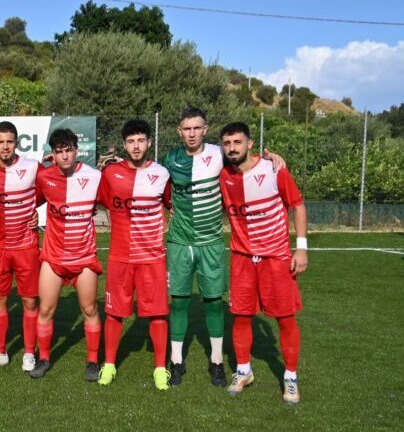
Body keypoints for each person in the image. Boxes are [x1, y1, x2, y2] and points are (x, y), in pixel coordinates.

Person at [162, 106, 287, 386]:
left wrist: (271, 157)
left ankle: (217, 361)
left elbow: (246, 158)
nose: (192, 133)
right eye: (187, 129)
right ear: (179, 131)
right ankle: (177, 361)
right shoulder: (169, 159)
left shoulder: (219, 154)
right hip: (180, 242)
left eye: (197, 128)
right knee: (178, 302)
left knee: (214, 303)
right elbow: (157, 184)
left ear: (205, 130)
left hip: (211, 243)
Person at [219, 122, 308, 405]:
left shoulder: (273, 169)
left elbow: (297, 205)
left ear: (250, 144)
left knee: (285, 318)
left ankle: (290, 377)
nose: (232, 148)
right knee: (241, 316)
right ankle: (243, 371)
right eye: (227, 143)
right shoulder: (222, 175)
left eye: (237, 142)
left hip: (276, 258)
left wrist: (301, 248)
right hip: (242, 258)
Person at [97, 119, 172, 390]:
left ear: (149, 142)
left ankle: (160, 368)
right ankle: (109, 364)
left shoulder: (162, 174)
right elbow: (104, 201)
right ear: (124, 144)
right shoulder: (111, 174)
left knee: (158, 312)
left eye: (141, 140)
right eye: (131, 141)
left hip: (152, 257)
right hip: (120, 256)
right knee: (114, 312)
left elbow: (171, 204)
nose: (136, 146)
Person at [30, 128, 103, 380]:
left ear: (76, 150)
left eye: (68, 150)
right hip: (53, 257)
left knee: (89, 309)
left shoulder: (94, 177)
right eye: (59, 151)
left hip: (84, 258)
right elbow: (32, 200)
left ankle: (92, 361)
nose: (65, 156)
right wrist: (32, 216)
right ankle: (43, 358)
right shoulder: (45, 177)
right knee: (46, 309)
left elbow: (110, 199)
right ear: (53, 154)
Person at [0, 122, 43, 372]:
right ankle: (0, 352)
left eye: (9, 142)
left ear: (16, 143)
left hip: (26, 246)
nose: (5, 146)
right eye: (1, 142)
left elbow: (52, 189)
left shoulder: (32, 167)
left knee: (30, 302)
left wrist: (35, 213)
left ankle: (28, 353)